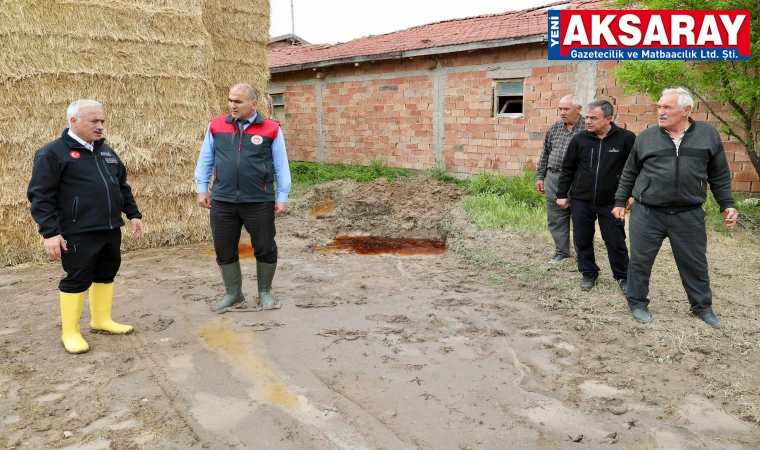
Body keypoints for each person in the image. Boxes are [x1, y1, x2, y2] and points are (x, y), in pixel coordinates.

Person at [613, 88, 737, 327]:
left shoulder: (708, 135)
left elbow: (719, 174)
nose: (660, 112)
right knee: (640, 261)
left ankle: (702, 307)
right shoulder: (646, 137)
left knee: (694, 262)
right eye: (659, 107)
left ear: (686, 110)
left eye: (667, 107)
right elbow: (630, 172)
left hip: (688, 213)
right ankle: (638, 303)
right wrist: (620, 201)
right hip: (647, 212)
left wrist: (727, 205)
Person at [27, 99, 144, 354]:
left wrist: (133, 214)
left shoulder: (106, 151)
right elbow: (40, 196)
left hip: (110, 227)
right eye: (94, 121)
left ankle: (101, 320)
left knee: (106, 273)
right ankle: (70, 332)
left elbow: (121, 186)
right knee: (77, 277)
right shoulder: (52, 154)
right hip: (77, 230)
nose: (100, 126)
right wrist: (50, 233)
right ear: (74, 122)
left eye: (102, 121)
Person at [194, 83, 292, 311]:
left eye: (238, 101)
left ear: (254, 104)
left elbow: (281, 165)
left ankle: (265, 292)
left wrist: (282, 195)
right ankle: (234, 294)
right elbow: (205, 159)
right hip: (223, 200)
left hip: (259, 200)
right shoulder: (216, 125)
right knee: (224, 248)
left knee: (265, 247)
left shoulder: (271, 129)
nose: (232, 105)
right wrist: (202, 188)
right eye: (230, 100)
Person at [556, 100, 635, 292]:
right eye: (588, 117)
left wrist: (632, 193)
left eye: (593, 118)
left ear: (609, 119)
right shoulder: (580, 139)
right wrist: (561, 194)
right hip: (582, 200)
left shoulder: (626, 138)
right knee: (582, 238)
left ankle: (623, 276)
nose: (588, 122)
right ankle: (589, 273)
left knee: (615, 240)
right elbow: (568, 168)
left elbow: (635, 169)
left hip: (613, 201)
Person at [536, 95, 586, 263]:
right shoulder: (555, 128)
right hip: (554, 177)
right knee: (556, 217)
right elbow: (546, 153)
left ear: (578, 109)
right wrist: (540, 176)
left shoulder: (588, 128)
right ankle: (561, 252)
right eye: (560, 109)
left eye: (566, 109)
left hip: (579, 179)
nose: (562, 113)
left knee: (581, 217)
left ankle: (583, 255)